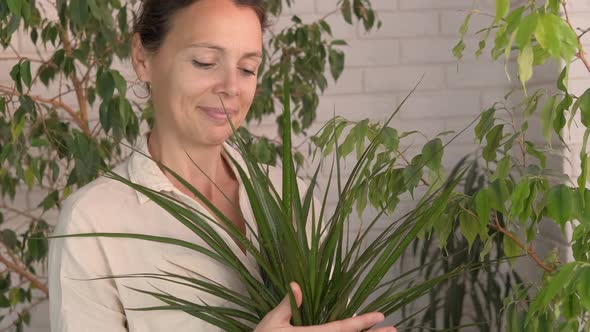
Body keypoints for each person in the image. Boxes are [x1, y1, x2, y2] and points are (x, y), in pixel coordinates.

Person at [48, 1, 397, 331]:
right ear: (142, 58)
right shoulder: (93, 223)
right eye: (204, 61)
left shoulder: (290, 198)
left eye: (247, 68)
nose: (231, 88)